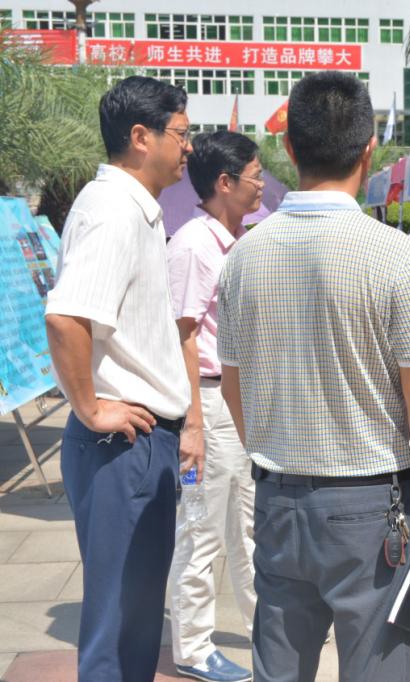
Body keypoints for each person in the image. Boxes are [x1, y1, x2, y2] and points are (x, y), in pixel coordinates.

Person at [217, 72, 410, 681]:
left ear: (289, 148)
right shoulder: (396, 254)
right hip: (371, 505)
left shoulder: (244, 255)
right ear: (369, 147)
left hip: (278, 497)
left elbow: (233, 385)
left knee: (279, 667)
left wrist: (275, 454)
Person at [44, 76, 196, 681]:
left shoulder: (130, 208)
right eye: (181, 134)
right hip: (122, 441)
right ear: (141, 137)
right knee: (116, 623)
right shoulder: (114, 212)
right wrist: (91, 407)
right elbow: (67, 317)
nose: (189, 147)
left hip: (139, 441)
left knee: (136, 617)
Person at [165, 131, 262, 682]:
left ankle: (263, 623)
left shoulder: (235, 240)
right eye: (254, 176)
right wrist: (193, 424)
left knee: (248, 524)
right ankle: (193, 648)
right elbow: (181, 333)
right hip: (205, 399)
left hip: (236, 398)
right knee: (200, 530)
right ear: (224, 183)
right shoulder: (193, 245)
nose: (260, 186)